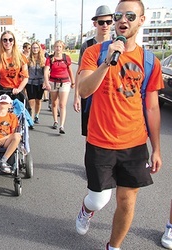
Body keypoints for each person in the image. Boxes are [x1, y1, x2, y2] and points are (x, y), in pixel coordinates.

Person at [74, 1, 163, 249]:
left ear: (141, 20)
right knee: (99, 199)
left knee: (127, 200)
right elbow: (83, 90)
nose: (123, 20)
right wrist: (108, 61)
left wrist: (156, 148)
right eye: (118, 15)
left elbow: (152, 107)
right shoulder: (95, 53)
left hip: (134, 143)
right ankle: (86, 209)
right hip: (100, 141)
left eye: (130, 15)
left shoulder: (150, 61)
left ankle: (113, 246)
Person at [73, 5, 113, 136]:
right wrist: (76, 97)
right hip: (89, 94)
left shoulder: (116, 44)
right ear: (95, 24)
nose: (105, 25)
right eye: (101, 22)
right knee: (90, 132)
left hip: (108, 95)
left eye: (108, 22)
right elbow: (80, 71)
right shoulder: (87, 46)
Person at [43, 40, 74, 134]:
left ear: (62, 48)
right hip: (53, 82)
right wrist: (47, 82)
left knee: (62, 104)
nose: (58, 48)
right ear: (54, 48)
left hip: (64, 82)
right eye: (56, 46)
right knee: (54, 103)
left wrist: (73, 82)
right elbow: (46, 71)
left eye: (60, 46)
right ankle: (55, 121)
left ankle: (62, 125)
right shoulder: (50, 58)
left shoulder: (66, 58)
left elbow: (70, 70)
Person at [0, 30, 29, 97]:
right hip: (2, 90)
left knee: (20, 107)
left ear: (14, 41)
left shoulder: (21, 58)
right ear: (2, 42)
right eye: (5, 40)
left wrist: (19, 89)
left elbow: (25, 78)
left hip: (17, 90)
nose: (8, 42)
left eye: (10, 40)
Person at [25, 41, 46, 125]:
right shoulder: (28, 60)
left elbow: (46, 72)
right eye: (33, 48)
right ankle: (32, 118)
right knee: (31, 101)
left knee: (38, 100)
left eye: (36, 48)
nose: (35, 49)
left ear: (39, 49)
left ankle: (37, 115)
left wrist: (45, 81)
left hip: (40, 82)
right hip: (30, 82)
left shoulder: (43, 60)